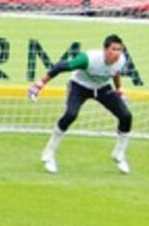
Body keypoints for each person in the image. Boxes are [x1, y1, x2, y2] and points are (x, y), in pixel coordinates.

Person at [27, 34, 132, 174]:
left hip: (101, 88)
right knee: (70, 115)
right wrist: (39, 85)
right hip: (79, 86)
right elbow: (60, 67)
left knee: (126, 116)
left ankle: (119, 154)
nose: (117, 53)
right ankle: (49, 154)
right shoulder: (88, 59)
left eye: (120, 49)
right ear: (105, 50)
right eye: (114, 49)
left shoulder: (121, 60)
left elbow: (115, 72)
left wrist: (119, 89)